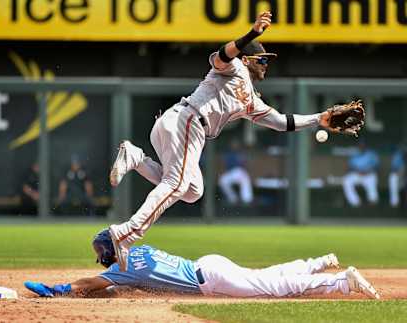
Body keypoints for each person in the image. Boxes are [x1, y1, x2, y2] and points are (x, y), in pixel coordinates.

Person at [108, 12, 354, 271]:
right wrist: (252, 34)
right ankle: (125, 235)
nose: (265, 64)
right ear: (247, 59)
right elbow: (222, 55)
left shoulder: (251, 101)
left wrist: (319, 119)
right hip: (188, 120)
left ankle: (135, 158)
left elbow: (282, 122)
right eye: (261, 59)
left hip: (179, 125)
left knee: (192, 191)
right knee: (177, 183)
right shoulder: (233, 67)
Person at [24, 229, 380, 299]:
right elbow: (114, 283)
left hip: (209, 278)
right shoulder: (137, 254)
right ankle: (316, 263)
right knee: (262, 277)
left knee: (271, 289)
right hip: (208, 264)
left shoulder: (121, 268)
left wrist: (59, 290)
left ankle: (342, 282)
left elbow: (92, 283)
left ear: (106, 254)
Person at [342, 143, 380, 207]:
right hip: (357, 174)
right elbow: (350, 167)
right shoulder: (355, 154)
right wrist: (357, 171)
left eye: (363, 146)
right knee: (347, 180)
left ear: (366, 146)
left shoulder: (372, 154)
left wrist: (368, 171)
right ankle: (355, 202)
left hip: (369, 174)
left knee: (372, 180)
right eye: (360, 146)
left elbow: (377, 167)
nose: (361, 147)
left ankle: (373, 201)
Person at [218, 139, 254, 205]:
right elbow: (223, 165)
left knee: (245, 179)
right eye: (233, 144)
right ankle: (233, 198)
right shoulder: (228, 154)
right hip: (231, 173)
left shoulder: (241, 152)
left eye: (236, 144)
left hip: (239, 171)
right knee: (222, 181)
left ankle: (247, 201)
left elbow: (246, 164)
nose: (234, 145)